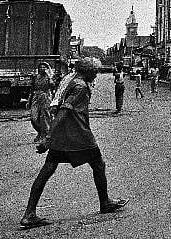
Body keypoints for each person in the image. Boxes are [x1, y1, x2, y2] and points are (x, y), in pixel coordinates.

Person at [20, 57, 127, 229]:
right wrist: (48, 137)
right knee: (98, 164)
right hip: (78, 134)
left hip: (64, 135)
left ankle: (29, 213)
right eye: (95, 72)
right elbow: (64, 110)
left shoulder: (73, 81)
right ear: (90, 72)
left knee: (48, 168)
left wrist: (52, 136)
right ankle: (105, 202)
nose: (96, 75)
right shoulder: (81, 87)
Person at [28, 62, 56, 143]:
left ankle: (46, 135)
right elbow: (32, 89)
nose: (42, 68)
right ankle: (40, 132)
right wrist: (29, 100)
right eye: (41, 67)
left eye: (44, 67)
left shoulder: (48, 77)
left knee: (45, 116)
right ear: (38, 68)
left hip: (45, 96)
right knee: (34, 117)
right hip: (36, 97)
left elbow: (52, 86)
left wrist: (50, 76)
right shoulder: (35, 77)